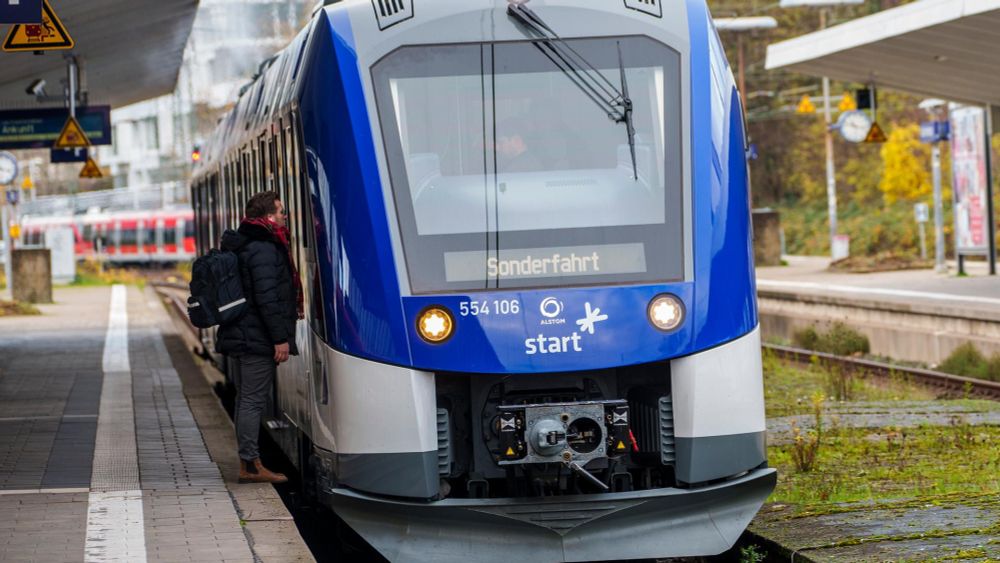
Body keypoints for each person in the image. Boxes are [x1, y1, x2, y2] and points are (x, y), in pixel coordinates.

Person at [217, 191, 304, 484]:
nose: (285, 216)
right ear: (268, 216)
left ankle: (249, 462)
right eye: (281, 212)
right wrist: (280, 339)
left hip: (245, 334)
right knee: (252, 401)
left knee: (247, 399)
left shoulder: (250, 243)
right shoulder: (264, 248)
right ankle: (250, 466)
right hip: (255, 338)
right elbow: (268, 298)